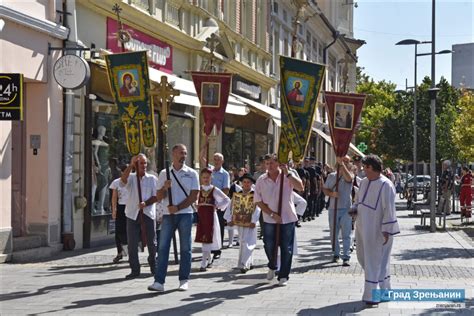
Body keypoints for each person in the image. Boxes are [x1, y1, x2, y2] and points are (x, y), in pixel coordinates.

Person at [148, 144, 199, 292]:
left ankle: (184, 279)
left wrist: (178, 207)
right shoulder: (164, 173)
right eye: (181, 153)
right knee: (163, 247)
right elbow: (158, 197)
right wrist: (164, 188)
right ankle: (159, 281)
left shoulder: (191, 173)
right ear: (173, 154)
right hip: (168, 215)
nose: (183, 156)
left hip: (185, 214)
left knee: (185, 248)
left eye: (185, 153)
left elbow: (194, 195)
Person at [354, 154, 400, 305]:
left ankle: (371, 295)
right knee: (365, 258)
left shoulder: (386, 184)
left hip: (378, 230)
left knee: (374, 261)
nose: (364, 170)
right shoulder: (364, 182)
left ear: (373, 168)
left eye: (366, 167)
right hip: (362, 227)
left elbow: (389, 209)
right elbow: (358, 201)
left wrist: (387, 229)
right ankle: (386, 291)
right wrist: (354, 209)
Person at [254, 153, 304, 286]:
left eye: (272, 163)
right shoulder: (261, 179)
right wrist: (271, 214)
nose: (269, 166)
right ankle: (272, 265)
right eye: (267, 163)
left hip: (287, 217)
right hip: (269, 219)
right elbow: (258, 201)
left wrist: (288, 174)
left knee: (286, 247)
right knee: (269, 245)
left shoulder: (287, 175)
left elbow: (300, 187)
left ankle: (283, 275)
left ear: (278, 163)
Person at [120, 154, 158, 279]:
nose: (144, 166)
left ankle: (153, 264)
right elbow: (122, 181)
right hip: (132, 213)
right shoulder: (131, 178)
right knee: (132, 243)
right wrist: (131, 165)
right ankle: (135, 269)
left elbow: (157, 196)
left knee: (152, 242)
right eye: (141, 163)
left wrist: (146, 203)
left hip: (147, 213)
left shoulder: (152, 179)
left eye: (145, 163)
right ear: (136, 165)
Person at [196, 168, 231, 271]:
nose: (206, 179)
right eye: (204, 177)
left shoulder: (214, 189)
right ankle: (207, 257)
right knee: (203, 237)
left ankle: (204, 260)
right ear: (201, 178)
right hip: (202, 216)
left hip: (211, 216)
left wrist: (218, 206)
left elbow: (226, 199)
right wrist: (196, 207)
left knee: (208, 236)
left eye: (207, 177)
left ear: (211, 178)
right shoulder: (198, 189)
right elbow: (194, 200)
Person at [225, 173, 261, 273]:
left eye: (248, 182)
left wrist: (254, 220)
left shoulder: (255, 195)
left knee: (249, 242)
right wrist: (229, 219)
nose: (246, 184)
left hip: (251, 222)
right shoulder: (238, 194)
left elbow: (258, 208)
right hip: (240, 222)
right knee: (243, 242)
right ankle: (248, 262)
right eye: (244, 182)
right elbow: (230, 206)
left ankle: (245, 264)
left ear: (251, 183)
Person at [323, 156, 354, 266]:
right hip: (333, 208)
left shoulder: (350, 174)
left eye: (347, 162)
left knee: (346, 234)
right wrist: (331, 194)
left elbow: (348, 179)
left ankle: (346, 256)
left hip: (346, 208)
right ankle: (336, 253)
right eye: (343, 161)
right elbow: (325, 189)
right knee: (333, 233)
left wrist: (342, 164)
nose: (345, 163)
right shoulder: (331, 176)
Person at [109, 164, 129, 264]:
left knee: (130, 230)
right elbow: (114, 197)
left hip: (131, 207)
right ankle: (119, 252)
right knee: (119, 231)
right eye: (124, 171)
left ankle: (131, 252)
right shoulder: (116, 182)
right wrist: (114, 210)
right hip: (121, 207)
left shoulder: (133, 181)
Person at [92, 125, 111, 215]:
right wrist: (98, 163)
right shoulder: (97, 142)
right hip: (101, 165)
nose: (104, 132)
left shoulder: (103, 141)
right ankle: (95, 206)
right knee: (98, 183)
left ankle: (101, 206)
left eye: (104, 130)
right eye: (103, 130)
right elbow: (95, 153)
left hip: (105, 165)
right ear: (99, 131)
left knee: (104, 184)